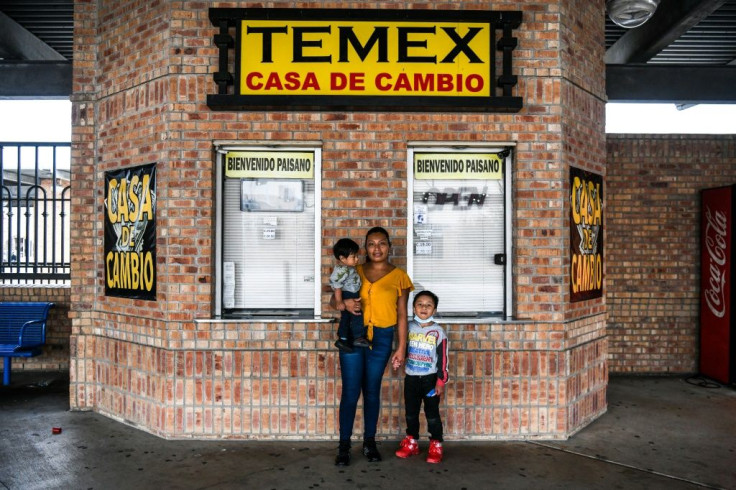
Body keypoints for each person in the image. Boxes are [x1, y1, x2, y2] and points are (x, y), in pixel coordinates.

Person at [332, 226, 414, 466]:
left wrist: (401, 347)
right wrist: (345, 304)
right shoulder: (352, 269)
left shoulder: (399, 276)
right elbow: (333, 299)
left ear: (390, 247)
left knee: (371, 391)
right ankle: (344, 446)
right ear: (364, 247)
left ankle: (369, 442)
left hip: (382, 338)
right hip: (353, 337)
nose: (376, 248)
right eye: (371, 244)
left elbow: (401, 315)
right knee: (350, 391)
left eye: (382, 243)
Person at [394, 290, 448, 464]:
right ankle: (412, 442)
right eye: (420, 304)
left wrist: (441, 381)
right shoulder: (408, 328)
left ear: (434, 309)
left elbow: (443, 359)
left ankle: (436, 444)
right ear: (413, 307)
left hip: (430, 380)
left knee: (432, 414)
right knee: (411, 413)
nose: (424, 307)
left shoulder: (439, 332)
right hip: (411, 378)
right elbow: (402, 349)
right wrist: (398, 360)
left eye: (429, 305)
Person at [329, 238, 370, 352]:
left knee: (346, 318)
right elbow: (337, 286)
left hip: (350, 293)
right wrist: (339, 301)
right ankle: (358, 337)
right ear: (342, 258)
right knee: (357, 314)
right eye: (354, 257)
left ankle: (343, 338)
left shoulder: (348, 268)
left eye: (357, 256)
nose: (357, 259)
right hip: (347, 294)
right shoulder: (342, 270)